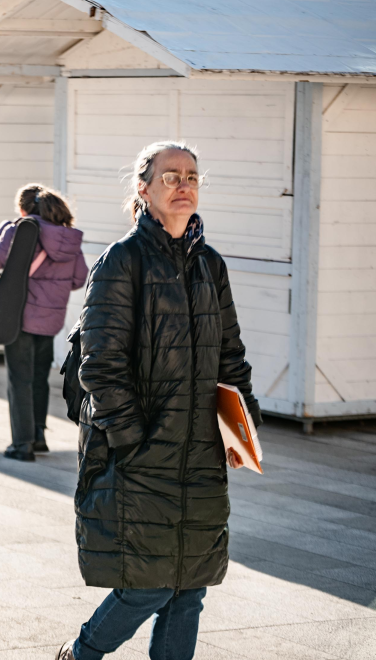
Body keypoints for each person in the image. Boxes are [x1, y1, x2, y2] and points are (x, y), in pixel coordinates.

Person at [57, 141, 260, 660]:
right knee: (146, 584)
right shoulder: (122, 262)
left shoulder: (209, 265)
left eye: (192, 175)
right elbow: (99, 365)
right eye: (170, 176)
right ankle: (80, 654)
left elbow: (230, 356)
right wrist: (132, 441)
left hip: (203, 454)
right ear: (143, 189)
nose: (184, 184)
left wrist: (242, 431)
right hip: (145, 453)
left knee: (190, 587)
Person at [0, 184, 87, 462]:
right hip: (50, 319)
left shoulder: (21, 228)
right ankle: (39, 436)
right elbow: (79, 278)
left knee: (19, 379)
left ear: (23, 208)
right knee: (39, 377)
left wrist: (5, 230)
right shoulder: (67, 238)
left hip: (18, 316)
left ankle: (22, 445)